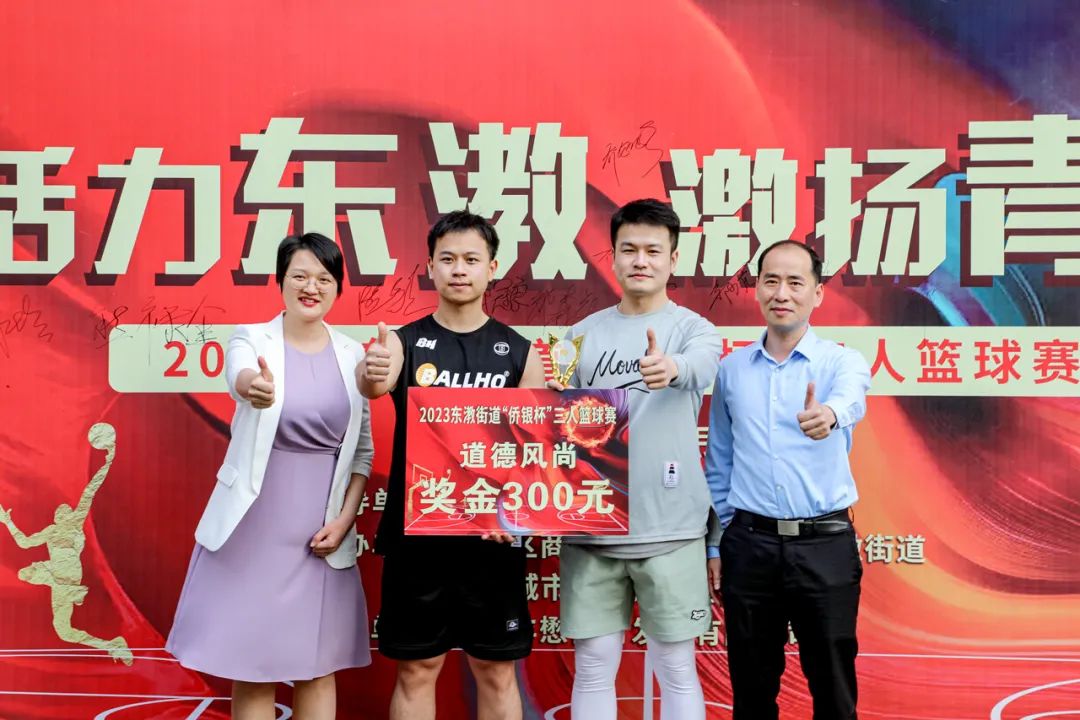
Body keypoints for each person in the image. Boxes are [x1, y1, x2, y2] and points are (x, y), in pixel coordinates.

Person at [167, 233, 374, 720]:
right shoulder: (252, 338)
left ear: (337, 288)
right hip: (254, 526)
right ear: (281, 281)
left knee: (318, 668)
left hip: (322, 533)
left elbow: (362, 453)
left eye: (323, 278)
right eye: (299, 275)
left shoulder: (353, 354)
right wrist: (254, 388)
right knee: (254, 666)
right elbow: (241, 377)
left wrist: (345, 520)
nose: (311, 287)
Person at [358, 210, 545, 720]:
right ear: (430, 267)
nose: (459, 269)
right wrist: (371, 369)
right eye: (447, 259)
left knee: (496, 670)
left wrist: (515, 513)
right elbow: (372, 382)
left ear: (492, 268)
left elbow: (534, 449)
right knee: (418, 669)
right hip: (419, 537)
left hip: (493, 539)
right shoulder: (401, 342)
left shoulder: (520, 352)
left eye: (471, 259)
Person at [551, 198, 722, 720]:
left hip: (673, 529)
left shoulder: (695, 330)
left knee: (676, 666)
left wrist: (671, 368)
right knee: (593, 665)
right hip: (592, 529)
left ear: (673, 259)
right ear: (613, 256)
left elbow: (700, 366)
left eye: (653, 250)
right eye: (629, 249)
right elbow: (553, 421)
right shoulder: (577, 336)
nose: (641, 260)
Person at [705, 240, 871, 720]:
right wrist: (719, 543)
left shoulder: (841, 362)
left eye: (796, 282)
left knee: (833, 685)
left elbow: (853, 397)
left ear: (817, 293)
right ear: (757, 289)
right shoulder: (732, 370)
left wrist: (830, 415)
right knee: (752, 690)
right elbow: (719, 463)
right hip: (749, 547)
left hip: (824, 545)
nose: (782, 293)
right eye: (771, 281)